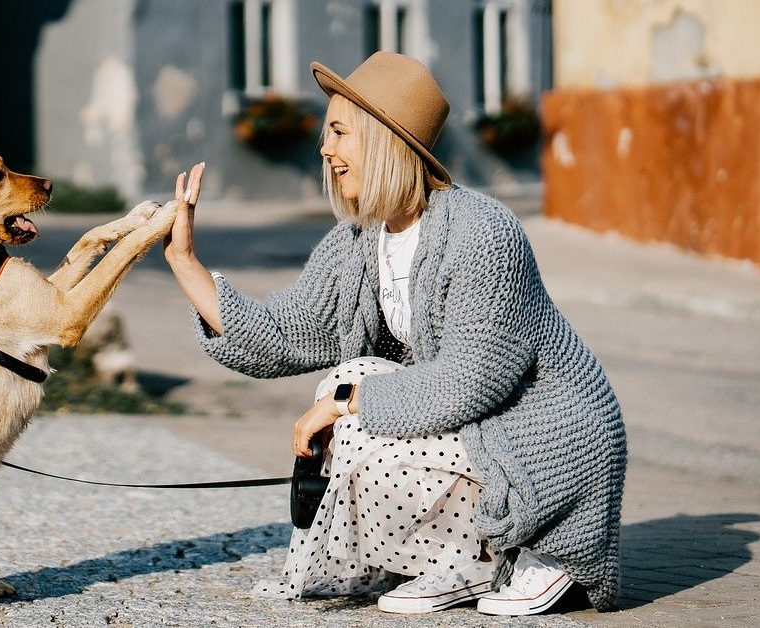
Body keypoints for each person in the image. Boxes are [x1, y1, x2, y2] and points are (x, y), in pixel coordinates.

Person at [163, 52, 626, 616]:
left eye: (338, 132)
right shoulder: (360, 240)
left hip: (545, 439)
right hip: (479, 430)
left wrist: (344, 405)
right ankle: (454, 560)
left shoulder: (483, 232)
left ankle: (508, 554)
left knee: (352, 403)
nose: (324, 149)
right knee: (349, 380)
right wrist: (186, 263)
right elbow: (284, 333)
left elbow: (471, 380)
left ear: (383, 140)